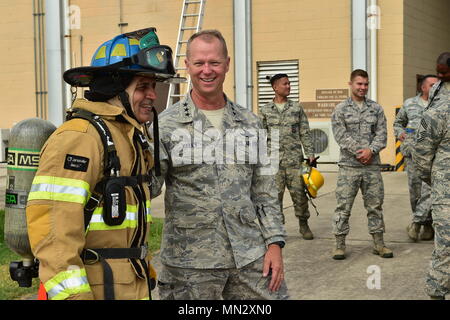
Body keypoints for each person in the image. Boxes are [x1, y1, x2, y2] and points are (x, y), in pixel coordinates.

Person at [26, 28, 178, 300]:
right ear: (114, 87)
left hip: (129, 286)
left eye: (154, 86)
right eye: (143, 86)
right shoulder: (79, 138)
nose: (153, 96)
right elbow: (53, 234)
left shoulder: (130, 136)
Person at [151, 30, 288, 300]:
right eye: (199, 63)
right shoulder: (165, 125)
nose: (207, 70)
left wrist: (275, 243)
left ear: (227, 64)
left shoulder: (250, 122)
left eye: (214, 62)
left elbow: (265, 190)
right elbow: (149, 186)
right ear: (187, 65)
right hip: (190, 264)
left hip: (250, 255)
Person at [330, 69, 393, 260]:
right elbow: (341, 136)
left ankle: (379, 243)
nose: (363, 87)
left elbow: (382, 134)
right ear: (350, 84)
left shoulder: (376, 108)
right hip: (349, 166)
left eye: (365, 84)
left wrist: (371, 151)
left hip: (371, 166)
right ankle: (339, 245)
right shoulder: (341, 109)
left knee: (375, 206)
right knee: (343, 207)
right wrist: (360, 152)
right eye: (359, 84)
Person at [258, 74, 315, 239]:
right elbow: (260, 136)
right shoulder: (265, 110)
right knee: (274, 198)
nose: (289, 86)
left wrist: (310, 153)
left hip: (294, 161)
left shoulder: (296, 109)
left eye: (289, 83)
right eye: (285, 84)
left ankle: (303, 224)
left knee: (300, 195)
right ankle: (277, 230)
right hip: (273, 162)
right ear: (275, 87)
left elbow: (305, 132)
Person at [413, 52, 450, 300]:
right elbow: (421, 156)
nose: (438, 77)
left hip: (444, 189)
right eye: (437, 73)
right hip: (446, 192)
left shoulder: (437, 110)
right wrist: (438, 182)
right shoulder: (437, 109)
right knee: (445, 247)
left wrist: (435, 179)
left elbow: (422, 157)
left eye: (443, 73)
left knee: (446, 248)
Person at [393, 75, 438, 241]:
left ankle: (416, 223)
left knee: (430, 191)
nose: (436, 88)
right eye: (432, 85)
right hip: (412, 154)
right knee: (415, 192)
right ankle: (426, 224)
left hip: (435, 156)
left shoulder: (442, 105)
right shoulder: (409, 103)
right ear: (423, 88)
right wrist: (400, 133)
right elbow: (398, 123)